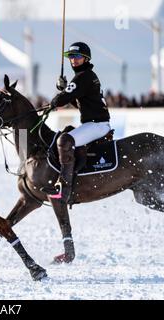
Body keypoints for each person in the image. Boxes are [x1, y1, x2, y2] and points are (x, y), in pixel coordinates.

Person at [47, 42, 111, 202]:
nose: (73, 60)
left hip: (97, 125)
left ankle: (64, 187)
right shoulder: (86, 76)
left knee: (64, 141)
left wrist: (55, 101)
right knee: (66, 133)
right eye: (71, 57)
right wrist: (64, 90)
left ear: (86, 58)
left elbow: (64, 98)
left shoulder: (84, 76)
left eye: (77, 56)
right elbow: (79, 103)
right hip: (94, 124)